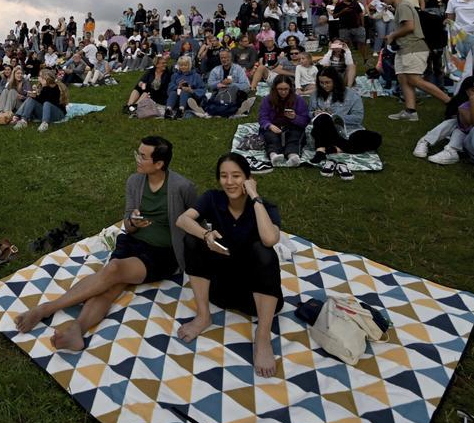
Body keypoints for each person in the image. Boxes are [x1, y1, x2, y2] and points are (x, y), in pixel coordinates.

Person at [15, 136, 197, 351]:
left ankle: (46, 309)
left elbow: (194, 221)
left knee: (113, 269)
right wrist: (133, 222)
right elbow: (128, 225)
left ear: (159, 164)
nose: (137, 159)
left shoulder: (182, 187)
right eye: (137, 153)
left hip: (161, 254)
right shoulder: (135, 181)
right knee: (111, 285)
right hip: (133, 241)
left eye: (143, 156)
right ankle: (77, 330)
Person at [175, 152, 281, 378]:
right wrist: (206, 234)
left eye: (236, 176)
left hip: (253, 296)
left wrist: (254, 195)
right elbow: (183, 220)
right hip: (219, 289)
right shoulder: (213, 198)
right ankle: (204, 316)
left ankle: (262, 338)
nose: (230, 182)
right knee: (192, 239)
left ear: (249, 178)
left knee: (264, 251)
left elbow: (270, 239)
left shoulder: (265, 207)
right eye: (224, 176)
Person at [379, 0, 450, 122]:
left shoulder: (403, 6)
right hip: (404, 48)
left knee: (414, 79)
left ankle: (451, 103)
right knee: (403, 79)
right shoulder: (399, 7)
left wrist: (392, 35)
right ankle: (410, 111)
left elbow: (410, 27)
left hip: (413, 47)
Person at [310, 68, 382, 179]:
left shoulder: (352, 95)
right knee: (323, 118)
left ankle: (336, 148)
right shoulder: (315, 94)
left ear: (335, 81)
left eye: (327, 82)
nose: (324, 85)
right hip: (323, 130)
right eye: (321, 83)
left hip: (348, 129)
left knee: (375, 138)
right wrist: (315, 113)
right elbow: (309, 113)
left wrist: (336, 116)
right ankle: (320, 150)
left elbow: (358, 118)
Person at [259, 75, 309, 167]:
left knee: (295, 136)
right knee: (270, 136)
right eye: (280, 89)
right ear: (275, 89)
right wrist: (269, 125)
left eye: (286, 89)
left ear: (290, 88)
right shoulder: (268, 99)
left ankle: (293, 156)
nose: (283, 92)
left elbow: (305, 120)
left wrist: (295, 117)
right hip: (274, 126)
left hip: (292, 126)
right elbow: (262, 117)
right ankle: (274, 156)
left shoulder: (298, 100)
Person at [202, 48, 251, 117]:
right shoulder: (215, 70)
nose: (224, 60)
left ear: (231, 58)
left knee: (234, 90)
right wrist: (220, 83)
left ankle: (220, 109)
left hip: (233, 94)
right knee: (209, 94)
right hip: (219, 94)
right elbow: (209, 84)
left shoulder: (238, 69)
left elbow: (246, 86)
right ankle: (234, 110)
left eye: (226, 57)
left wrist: (231, 84)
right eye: (222, 58)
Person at [165, 55, 209, 119]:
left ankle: (181, 110)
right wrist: (178, 86)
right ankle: (168, 110)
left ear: (189, 65)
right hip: (177, 97)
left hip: (191, 98)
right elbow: (170, 87)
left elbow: (202, 89)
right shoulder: (175, 75)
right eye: (181, 65)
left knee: (185, 92)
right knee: (173, 93)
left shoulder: (196, 76)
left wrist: (191, 90)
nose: (183, 67)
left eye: (185, 65)